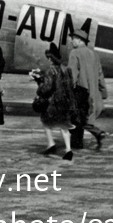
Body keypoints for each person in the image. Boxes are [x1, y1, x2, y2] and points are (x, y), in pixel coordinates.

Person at [31, 43, 77, 160]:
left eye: (49, 58)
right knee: (64, 126)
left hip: (53, 103)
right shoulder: (66, 69)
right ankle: (68, 150)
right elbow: (69, 86)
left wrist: (39, 84)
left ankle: (51, 144)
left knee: (46, 122)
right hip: (65, 102)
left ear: (51, 59)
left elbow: (47, 88)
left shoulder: (50, 71)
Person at [68, 21, 107, 149]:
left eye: (73, 39)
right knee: (84, 118)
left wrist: (68, 90)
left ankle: (81, 141)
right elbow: (100, 75)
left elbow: (72, 74)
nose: (72, 41)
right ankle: (87, 138)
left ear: (79, 40)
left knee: (76, 118)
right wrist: (103, 91)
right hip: (93, 93)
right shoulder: (94, 54)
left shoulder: (74, 53)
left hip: (80, 92)